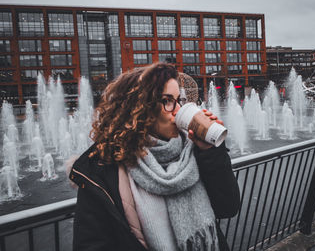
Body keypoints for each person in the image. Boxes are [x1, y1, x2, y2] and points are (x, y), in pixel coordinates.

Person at [68, 62, 241, 251]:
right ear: (139, 108)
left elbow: (228, 207)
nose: (177, 110)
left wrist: (210, 151)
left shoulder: (192, 150)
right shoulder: (103, 170)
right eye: (167, 100)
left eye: (179, 100)